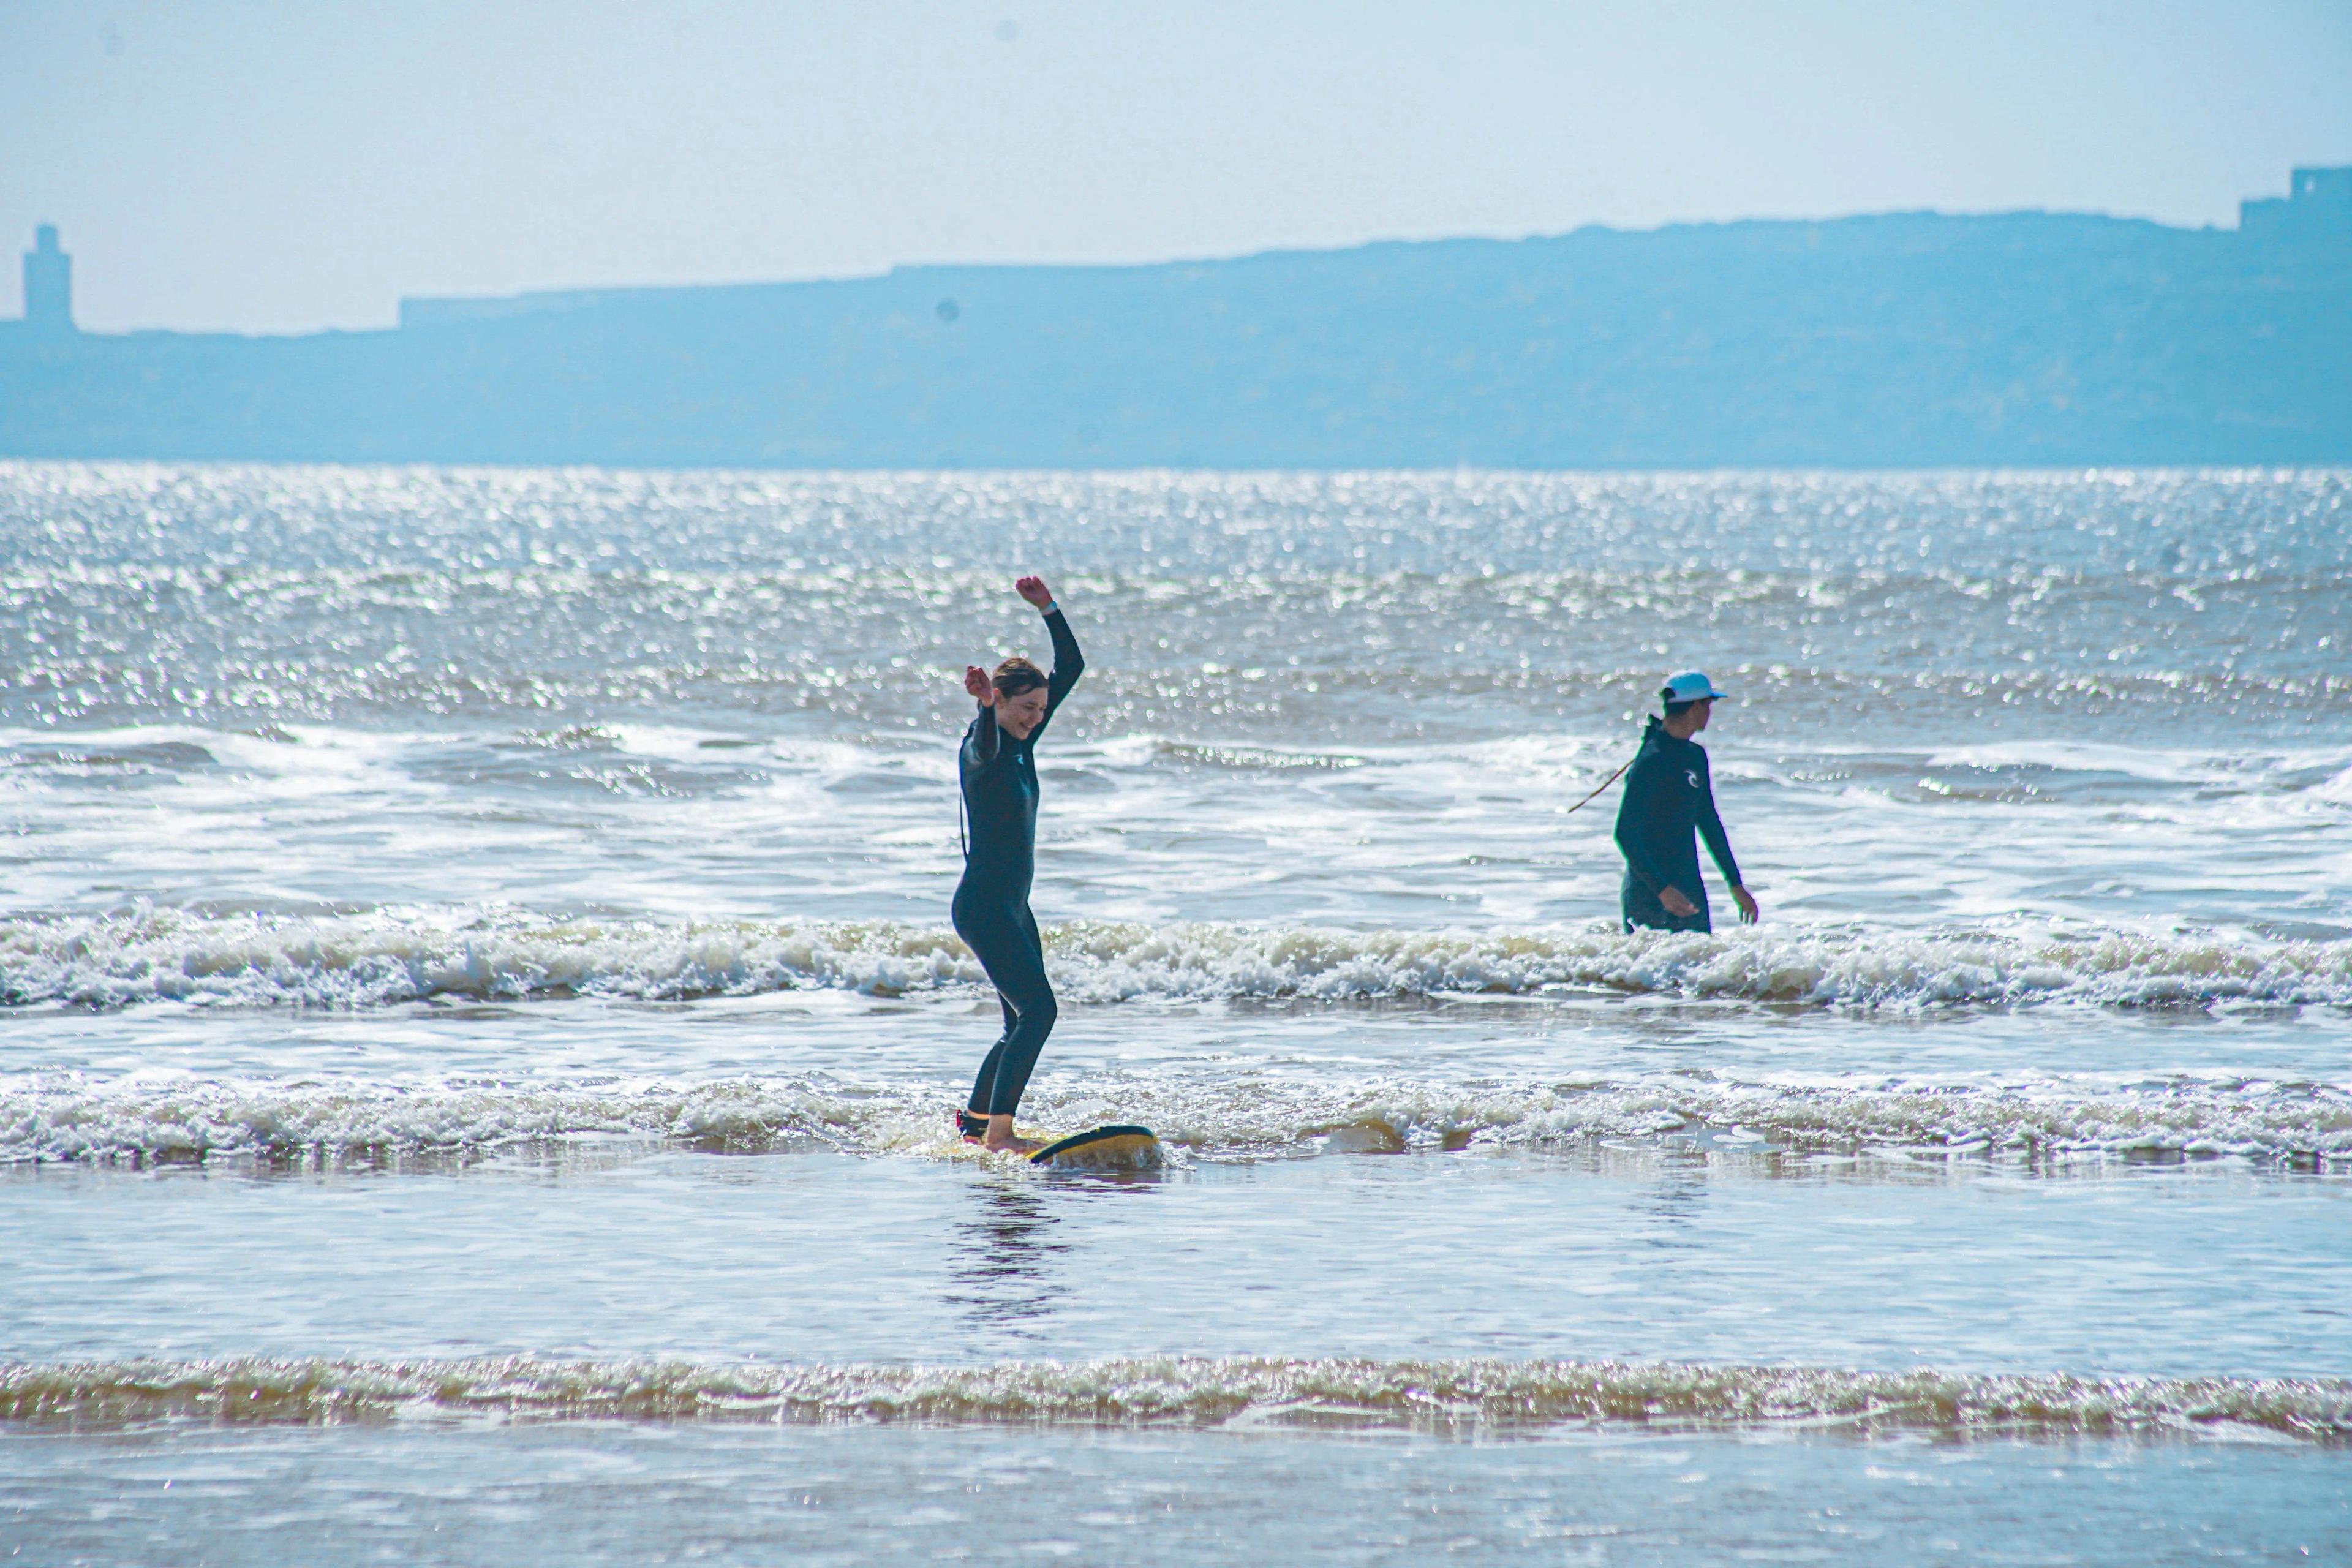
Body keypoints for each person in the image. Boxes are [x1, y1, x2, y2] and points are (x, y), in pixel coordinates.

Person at [952, 575, 1084, 1152]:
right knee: (1040, 1012)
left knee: (1020, 1021)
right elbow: (987, 740)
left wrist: (1048, 609)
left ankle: (977, 1122)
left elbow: (1072, 667)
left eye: (1041, 709)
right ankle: (1000, 1137)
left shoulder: (1024, 743)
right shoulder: (984, 748)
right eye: (1026, 708)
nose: (1036, 717)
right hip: (983, 907)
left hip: (1011, 907)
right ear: (1000, 701)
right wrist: (984, 708)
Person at [1613, 671, 1759, 934]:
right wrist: (1663, 890)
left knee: (1701, 967)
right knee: (1645, 972)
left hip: (1687, 883)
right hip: (1649, 890)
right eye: (1709, 705)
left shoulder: (1695, 756)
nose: (1710, 713)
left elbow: (1709, 822)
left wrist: (1735, 884)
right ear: (1695, 707)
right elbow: (1625, 833)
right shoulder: (1651, 760)